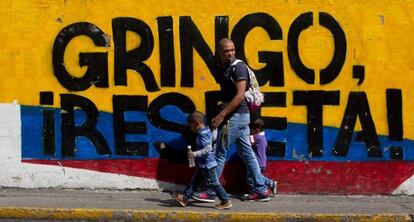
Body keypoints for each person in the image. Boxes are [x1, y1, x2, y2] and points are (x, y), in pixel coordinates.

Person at [193, 38, 270, 202]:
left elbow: (240, 95)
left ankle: (211, 191)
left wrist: (222, 115)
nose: (230, 53)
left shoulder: (238, 68)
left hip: (235, 118)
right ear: (219, 52)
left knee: (219, 153)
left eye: (232, 50)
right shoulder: (226, 68)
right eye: (226, 51)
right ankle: (262, 190)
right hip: (240, 118)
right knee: (247, 154)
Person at [174, 111, 232, 210]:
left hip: (208, 165)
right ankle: (185, 198)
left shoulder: (202, 134)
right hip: (203, 164)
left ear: (196, 123)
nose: (190, 128)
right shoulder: (207, 131)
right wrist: (215, 130)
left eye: (191, 126)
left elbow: (208, 149)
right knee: (195, 181)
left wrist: (194, 154)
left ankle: (225, 200)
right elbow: (213, 139)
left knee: (214, 183)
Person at [249, 118, 277, 196]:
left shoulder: (257, 137)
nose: (251, 132)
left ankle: (255, 191)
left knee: (253, 177)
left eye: (252, 130)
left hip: (257, 162)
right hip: (262, 162)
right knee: (257, 176)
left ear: (257, 130)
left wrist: (250, 134)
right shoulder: (263, 137)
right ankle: (270, 183)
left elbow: (249, 141)